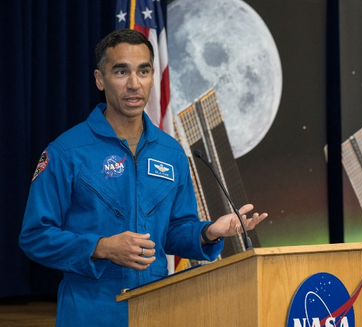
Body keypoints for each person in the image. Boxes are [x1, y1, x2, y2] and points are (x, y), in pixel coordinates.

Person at [19, 29, 268, 326]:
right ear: (100, 79)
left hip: (156, 310)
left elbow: (174, 231)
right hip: (91, 312)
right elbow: (35, 236)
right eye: (121, 71)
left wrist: (208, 233)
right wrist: (100, 247)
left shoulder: (171, 152)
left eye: (144, 71)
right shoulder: (66, 151)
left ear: (153, 78)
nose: (134, 84)